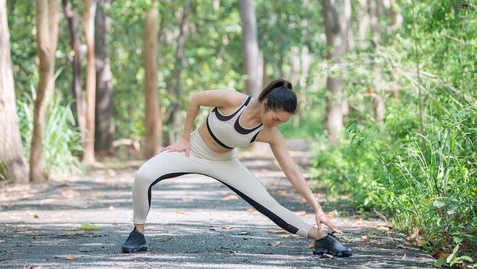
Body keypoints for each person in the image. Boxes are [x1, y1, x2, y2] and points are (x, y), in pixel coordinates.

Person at [121, 79, 352, 257]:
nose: (277, 124)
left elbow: (292, 171)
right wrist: (184, 138)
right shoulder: (233, 100)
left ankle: (322, 238)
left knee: (269, 204)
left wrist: (317, 207)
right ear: (265, 104)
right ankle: (138, 233)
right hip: (193, 151)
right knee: (144, 175)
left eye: (282, 122)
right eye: (276, 118)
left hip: (224, 162)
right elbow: (196, 99)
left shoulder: (270, 133)